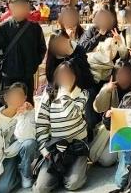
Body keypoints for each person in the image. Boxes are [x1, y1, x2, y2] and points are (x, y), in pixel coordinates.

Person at [34, 61, 89, 192]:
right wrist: (44, 150)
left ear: (76, 76)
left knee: (73, 184)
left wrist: (64, 93)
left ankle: (74, 169)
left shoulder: (82, 93)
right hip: (55, 148)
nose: (65, 77)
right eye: (61, 74)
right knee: (40, 188)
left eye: (69, 74)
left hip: (77, 147)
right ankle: (58, 174)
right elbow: (41, 123)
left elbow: (71, 113)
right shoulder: (48, 95)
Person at [0, 0, 46, 103]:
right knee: (8, 105)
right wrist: (5, 65)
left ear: (28, 6)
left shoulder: (35, 28)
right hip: (8, 77)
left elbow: (42, 49)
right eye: (16, 6)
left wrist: (33, 64)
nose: (20, 9)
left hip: (27, 77)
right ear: (10, 7)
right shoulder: (2, 28)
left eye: (23, 5)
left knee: (27, 106)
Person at [0, 82, 37, 193]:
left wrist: (23, 115)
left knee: (29, 143)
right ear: (6, 97)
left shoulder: (27, 112)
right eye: (13, 95)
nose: (15, 98)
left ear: (24, 98)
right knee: (3, 189)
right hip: (7, 156)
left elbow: (29, 137)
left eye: (19, 95)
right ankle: (16, 173)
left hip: (23, 150)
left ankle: (25, 173)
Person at [91, 61, 131, 167]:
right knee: (105, 160)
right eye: (120, 75)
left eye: (126, 74)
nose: (124, 78)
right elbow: (98, 108)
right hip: (111, 129)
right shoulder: (110, 88)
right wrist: (106, 91)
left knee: (125, 157)